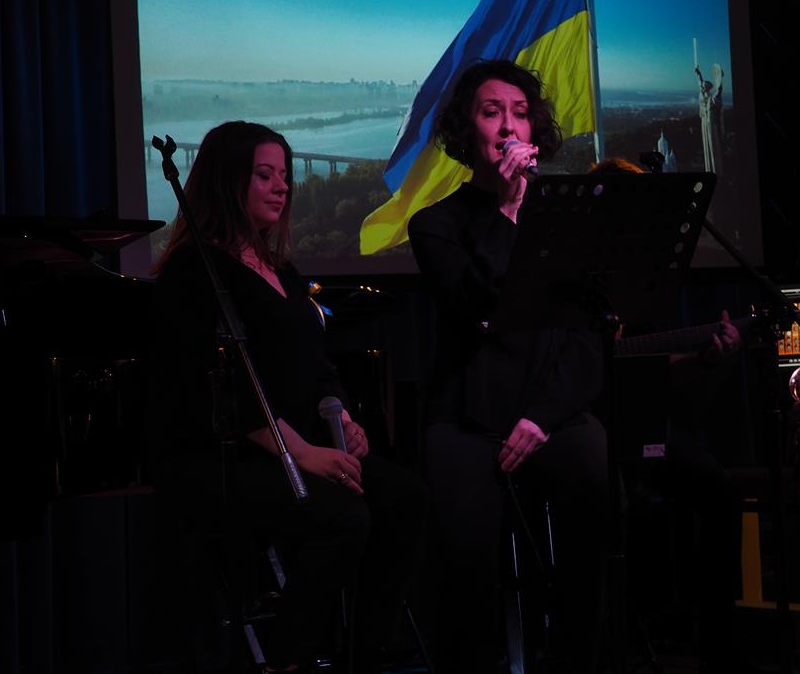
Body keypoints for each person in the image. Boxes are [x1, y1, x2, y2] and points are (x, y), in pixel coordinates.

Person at [150, 120, 428, 674]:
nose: (281, 186)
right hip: (232, 457)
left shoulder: (282, 268)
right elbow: (210, 388)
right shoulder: (192, 271)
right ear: (228, 181)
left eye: (284, 175)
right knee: (344, 517)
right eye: (264, 175)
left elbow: (315, 364)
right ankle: (288, 659)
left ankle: (365, 655)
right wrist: (299, 452)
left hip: (300, 444)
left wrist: (341, 418)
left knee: (405, 497)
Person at [407, 60, 611, 674]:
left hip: (549, 414)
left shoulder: (571, 221)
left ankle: (580, 656)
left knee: (593, 472)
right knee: (467, 568)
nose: (507, 127)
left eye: (520, 113)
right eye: (491, 112)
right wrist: (509, 209)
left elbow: (588, 340)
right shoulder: (436, 224)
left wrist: (543, 417)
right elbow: (480, 306)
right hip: (470, 415)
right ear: (465, 128)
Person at [590, 156, 745, 673]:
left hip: (637, 423)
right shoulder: (574, 271)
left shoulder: (643, 277)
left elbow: (653, 364)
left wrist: (707, 358)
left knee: (720, 491)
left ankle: (719, 653)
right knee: (612, 510)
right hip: (579, 425)